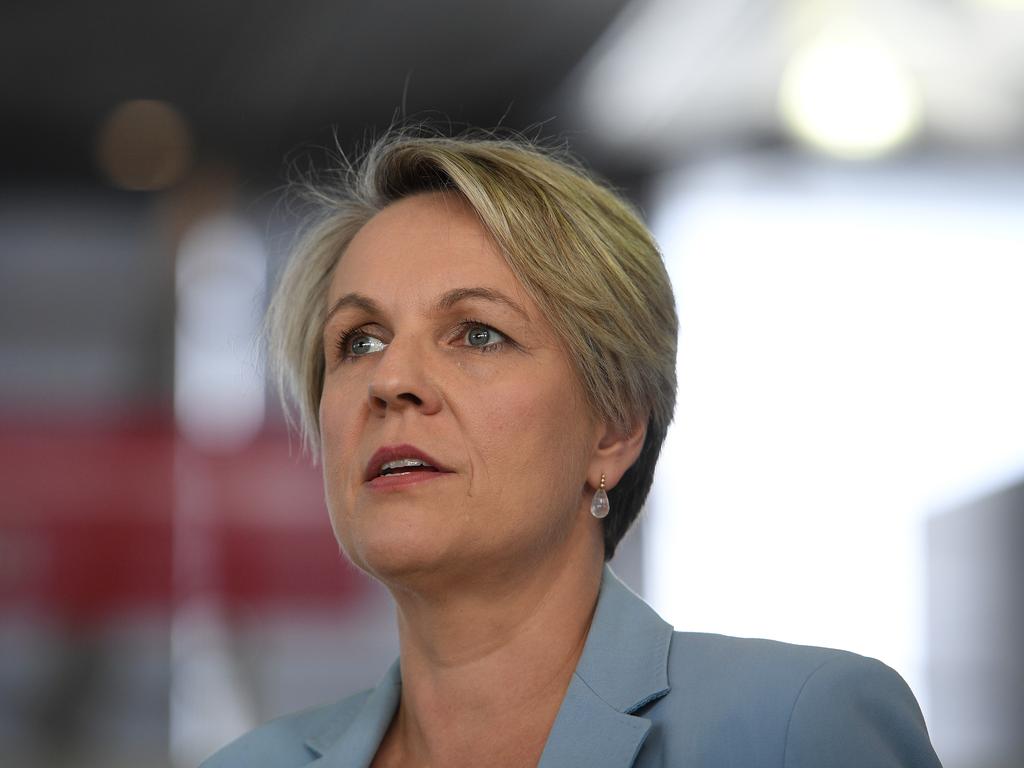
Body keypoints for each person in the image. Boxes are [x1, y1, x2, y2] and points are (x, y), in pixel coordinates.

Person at [201, 132, 942, 767]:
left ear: (614, 429)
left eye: (477, 333)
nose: (391, 379)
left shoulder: (796, 729)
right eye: (358, 342)